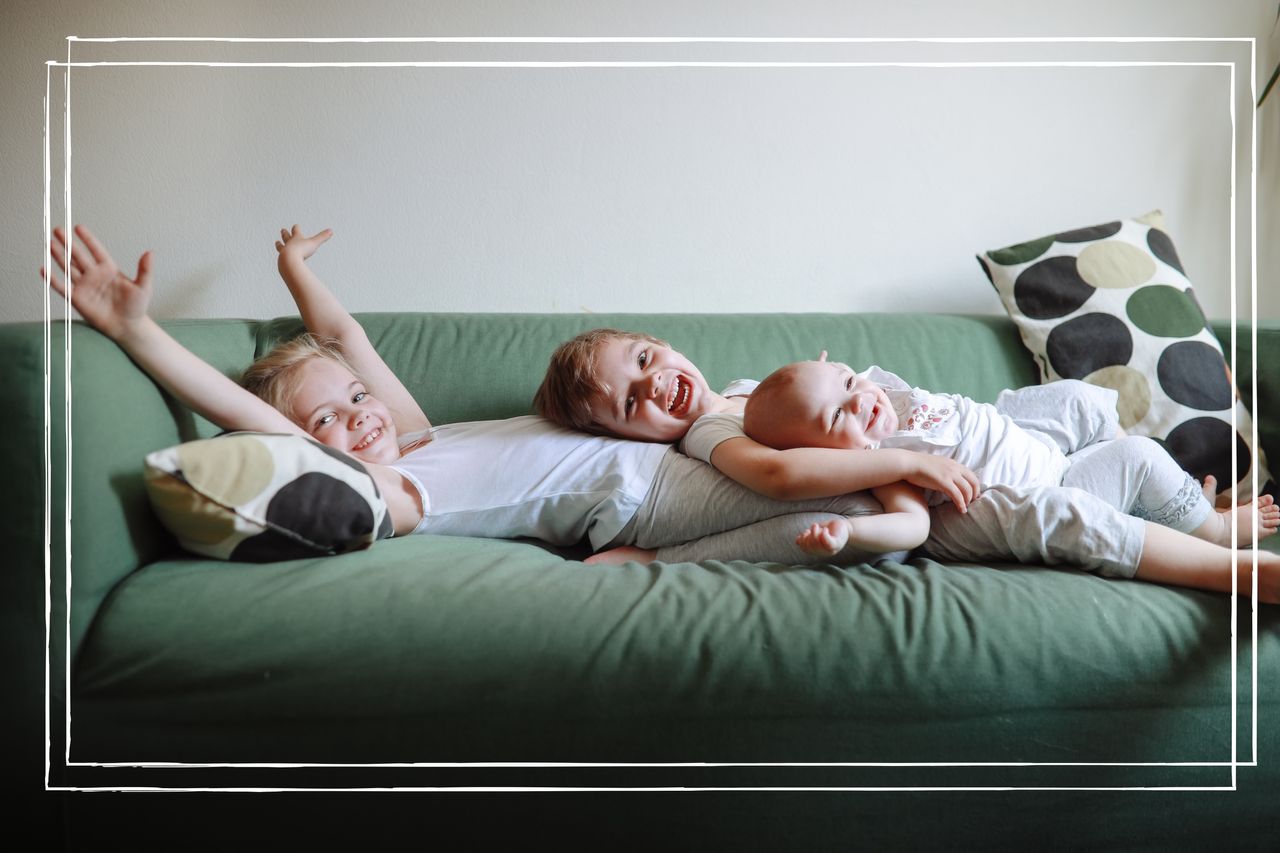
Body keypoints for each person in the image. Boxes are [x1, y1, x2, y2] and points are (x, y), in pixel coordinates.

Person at [44, 225, 903, 567]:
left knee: (834, 449)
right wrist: (137, 333)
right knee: (849, 501)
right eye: (329, 422)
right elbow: (262, 424)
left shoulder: (421, 436)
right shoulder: (407, 487)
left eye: (354, 399)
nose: (359, 415)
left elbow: (351, 345)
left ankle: (945, 466)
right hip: (646, 500)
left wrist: (296, 273)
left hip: (667, 456)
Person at [739, 356, 1280, 602]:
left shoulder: (872, 387)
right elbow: (910, 526)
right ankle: (1212, 529)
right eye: (838, 418)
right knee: (1139, 456)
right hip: (1052, 484)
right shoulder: (882, 466)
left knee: (1078, 396)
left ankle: (1165, 503)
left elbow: (766, 391)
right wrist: (848, 534)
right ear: (823, 455)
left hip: (1036, 443)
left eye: (848, 382)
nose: (860, 400)